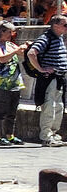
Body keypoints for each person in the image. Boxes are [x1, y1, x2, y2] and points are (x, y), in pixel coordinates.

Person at [30, 13, 67, 146]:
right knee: (49, 107)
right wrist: (41, 69)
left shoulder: (59, 38)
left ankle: (54, 134)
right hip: (49, 79)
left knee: (59, 106)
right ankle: (46, 136)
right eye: (65, 25)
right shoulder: (46, 38)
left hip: (59, 78)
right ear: (56, 26)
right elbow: (31, 53)